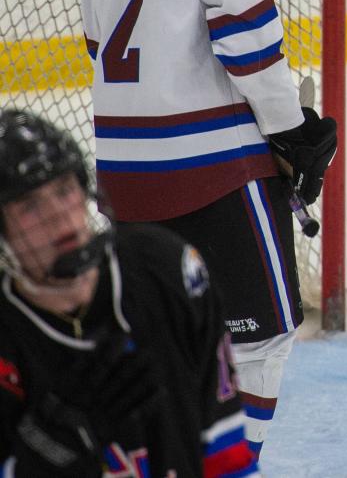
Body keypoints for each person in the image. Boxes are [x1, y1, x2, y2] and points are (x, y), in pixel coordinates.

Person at [76, 0, 337, 459]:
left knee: (155, 337)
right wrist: (292, 134)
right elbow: (249, 43)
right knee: (262, 337)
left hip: (124, 174)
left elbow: (98, 46)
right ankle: (231, 467)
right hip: (215, 170)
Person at [0, 109, 258, 477]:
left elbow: (225, 454)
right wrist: (49, 451)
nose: (58, 214)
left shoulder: (165, 273)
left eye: (64, 190)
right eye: (30, 206)